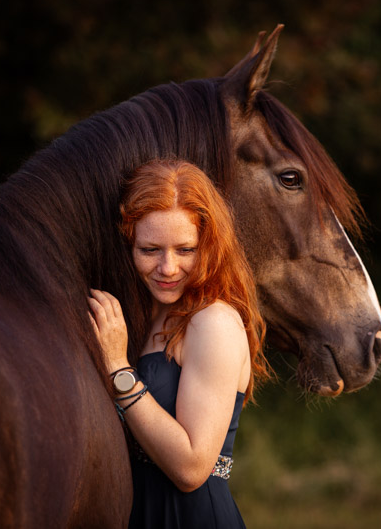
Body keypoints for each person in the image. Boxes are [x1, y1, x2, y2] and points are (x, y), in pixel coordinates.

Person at [88, 159, 270, 528]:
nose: (168, 268)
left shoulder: (212, 322)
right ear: (129, 244)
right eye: (150, 250)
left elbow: (191, 468)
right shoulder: (143, 317)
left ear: (210, 245)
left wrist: (117, 368)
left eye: (185, 250)